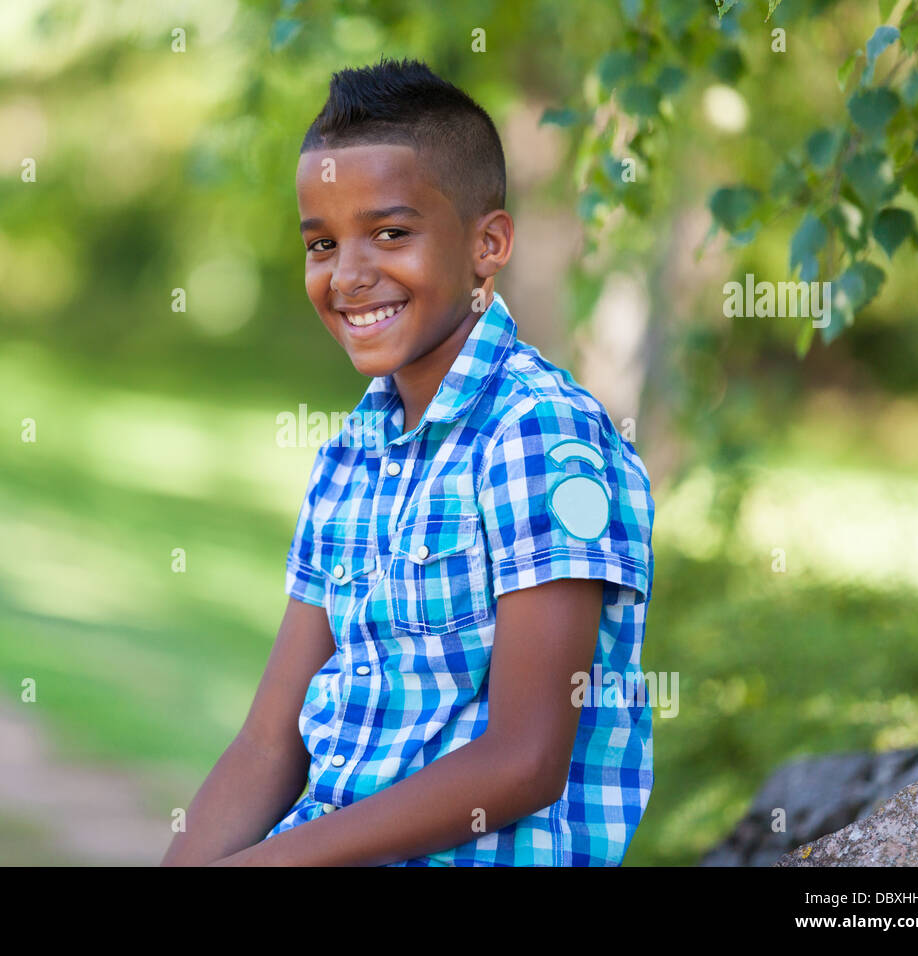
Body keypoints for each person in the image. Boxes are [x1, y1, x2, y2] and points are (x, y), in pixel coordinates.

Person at [161, 57, 654, 866]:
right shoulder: (351, 456)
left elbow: (524, 760)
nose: (349, 275)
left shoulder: (538, 434)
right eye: (322, 243)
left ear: (487, 244)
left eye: (391, 233)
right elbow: (266, 745)